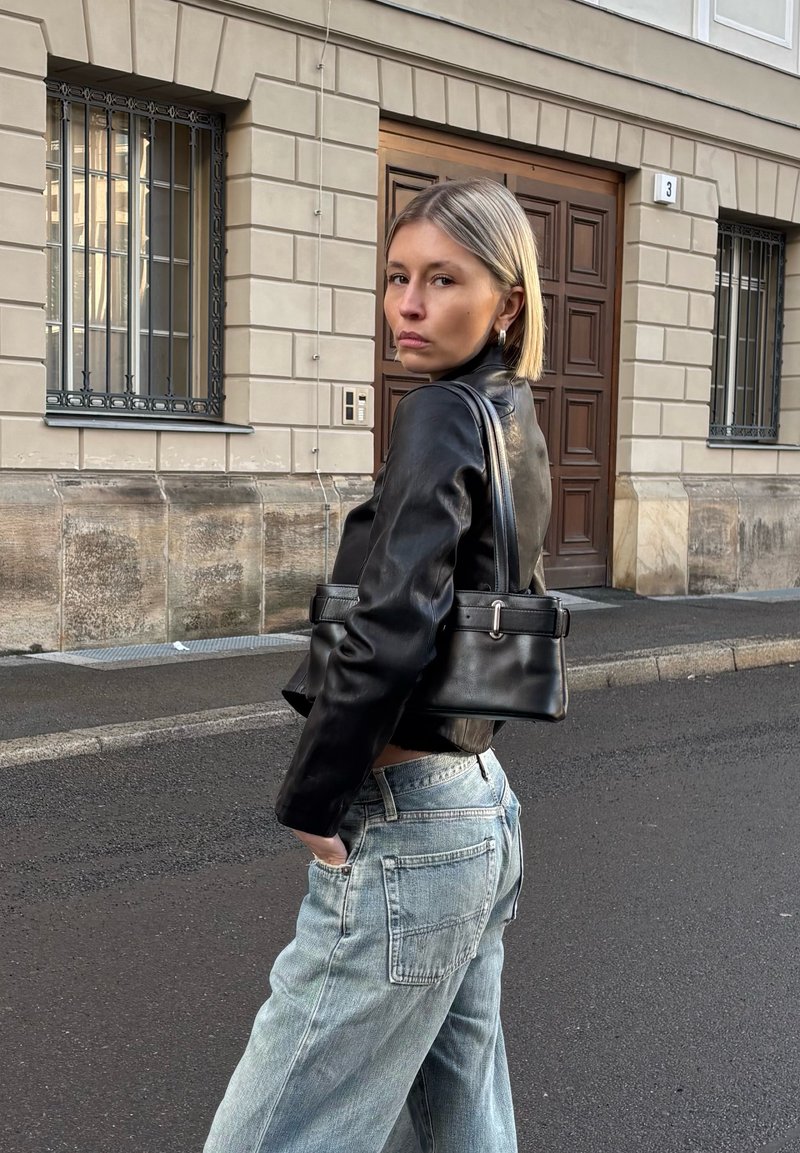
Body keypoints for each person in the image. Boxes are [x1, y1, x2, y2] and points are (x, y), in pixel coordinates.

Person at [203, 178, 552, 1153]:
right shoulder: (510, 413)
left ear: (506, 302)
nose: (408, 303)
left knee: (272, 1135)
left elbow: (393, 620)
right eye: (397, 277)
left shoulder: (439, 413)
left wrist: (312, 798)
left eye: (442, 279)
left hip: (410, 824)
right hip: (481, 805)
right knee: (464, 1119)